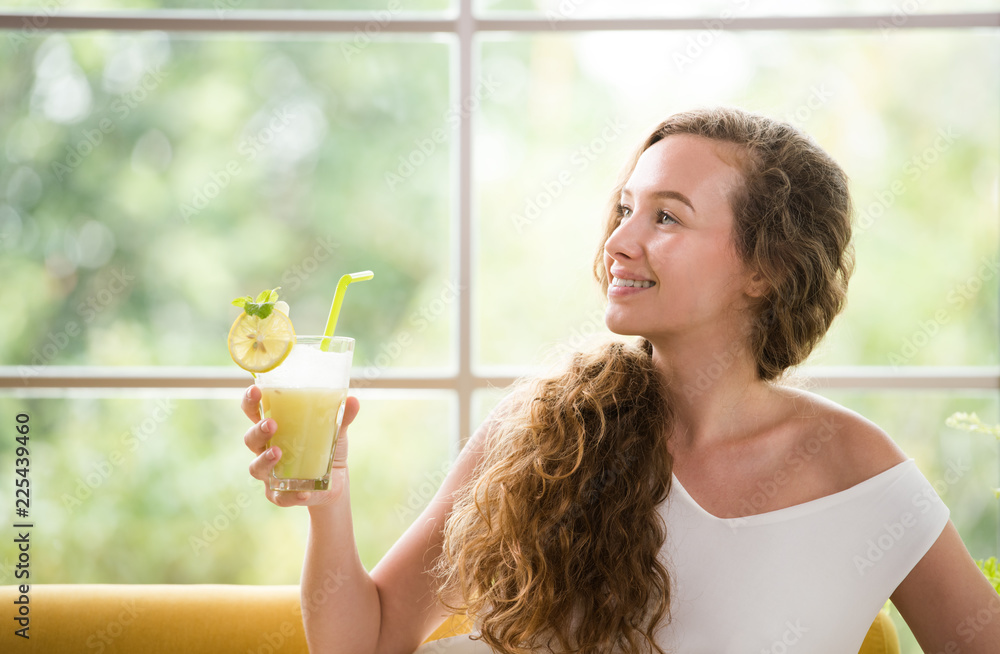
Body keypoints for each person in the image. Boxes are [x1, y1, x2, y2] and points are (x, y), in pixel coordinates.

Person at [241, 107, 1000, 653]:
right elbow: (366, 642)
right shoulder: (545, 429)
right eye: (625, 209)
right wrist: (328, 502)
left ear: (764, 270)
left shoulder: (855, 470)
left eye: (666, 218)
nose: (620, 241)